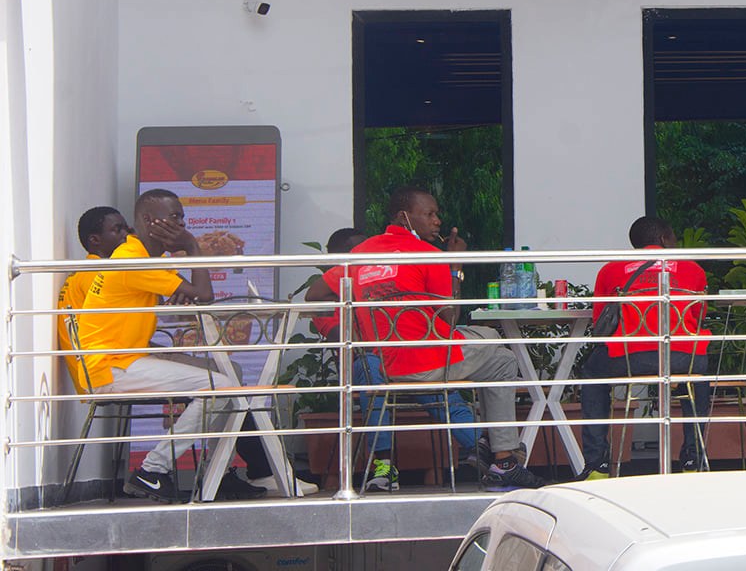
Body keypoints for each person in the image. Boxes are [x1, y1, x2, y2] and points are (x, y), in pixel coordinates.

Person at [77, 189, 313, 502]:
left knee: (227, 375)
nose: (182, 224)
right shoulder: (133, 260)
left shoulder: (147, 257)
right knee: (219, 386)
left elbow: (188, 293)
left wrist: (187, 285)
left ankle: (220, 472)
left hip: (125, 357)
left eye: (183, 218)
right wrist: (192, 247)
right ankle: (151, 471)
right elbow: (204, 295)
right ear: (149, 221)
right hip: (110, 367)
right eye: (174, 217)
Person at [307, 187, 544, 490]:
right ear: (404, 217)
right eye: (429, 214)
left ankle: (492, 449)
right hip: (424, 363)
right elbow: (450, 317)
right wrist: (455, 266)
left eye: (437, 214)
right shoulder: (428, 255)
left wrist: (363, 317)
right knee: (503, 358)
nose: (437, 221)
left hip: (385, 362)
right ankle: (504, 461)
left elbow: (315, 295)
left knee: (489, 339)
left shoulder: (361, 254)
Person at [307, 225, 482, 492]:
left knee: (438, 382)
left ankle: (484, 451)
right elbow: (352, 344)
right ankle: (384, 465)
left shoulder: (384, 287)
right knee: (371, 369)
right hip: (373, 367)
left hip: (405, 360)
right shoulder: (331, 303)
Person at [579, 215, 710, 479]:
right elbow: (698, 317)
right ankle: (692, 459)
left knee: (592, 374)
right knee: (697, 375)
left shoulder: (611, 270)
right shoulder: (693, 269)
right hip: (683, 357)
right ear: (663, 239)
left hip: (628, 357)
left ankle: (597, 465)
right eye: (673, 238)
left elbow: (599, 320)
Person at [57, 206, 129, 393]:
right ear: (95, 240)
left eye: (127, 229)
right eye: (118, 229)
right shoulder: (96, 274)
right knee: (200, 376)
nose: (126, 235)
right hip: (101, 372)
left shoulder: (89, 269)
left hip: (98, 367)